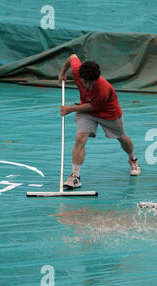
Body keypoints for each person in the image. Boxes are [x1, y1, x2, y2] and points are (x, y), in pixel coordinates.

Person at [58, 54, 141, 189]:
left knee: (122, 138)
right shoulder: (77, 70)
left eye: (92, 83)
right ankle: (75, 176)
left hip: (108, 113)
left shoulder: (103, 88)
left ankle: (133, 159)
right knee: (80, 138)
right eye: (86, 83)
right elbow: (72, 57)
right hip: (87, 112)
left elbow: (94, 106)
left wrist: (71, 109)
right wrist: (62, 73)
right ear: (80, 77)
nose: (89, 86)